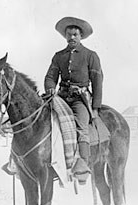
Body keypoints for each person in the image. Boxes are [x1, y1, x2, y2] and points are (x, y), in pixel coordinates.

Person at [44, 16, 103, 181]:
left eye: (75, 34)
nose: (71, 37)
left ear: (81, 36)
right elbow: (50, 77)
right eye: (69, 34)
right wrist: (50, 87)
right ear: (65, 36)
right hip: (61, 97)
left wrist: (96, 108)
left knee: (81, 127)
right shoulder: (59, 56)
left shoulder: (90, 56)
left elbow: (98, 81)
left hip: (80, 99)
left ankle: (83, 166)